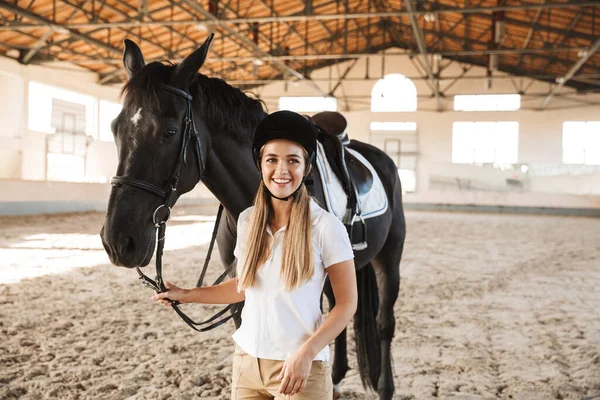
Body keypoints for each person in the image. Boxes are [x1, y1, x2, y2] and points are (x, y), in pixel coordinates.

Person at [152, 110, 357, 399]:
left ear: (306, 169)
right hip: (247, 362)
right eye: (272, 160)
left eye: (293, 161)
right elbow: (244, 286)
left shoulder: (326, 226)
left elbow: (347, 304)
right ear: (260, 166)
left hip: (300, 367)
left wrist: (306, 354)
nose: (281, 171)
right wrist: (187, 294)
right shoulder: (248, 221)